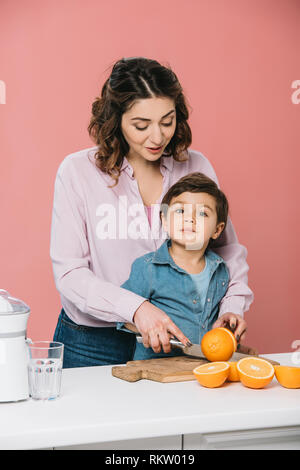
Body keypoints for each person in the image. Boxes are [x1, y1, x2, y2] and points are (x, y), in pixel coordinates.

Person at [51, 57, 253, 368]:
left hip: (179, 342)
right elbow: (69, 273)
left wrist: (233, 306)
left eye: (167, 121)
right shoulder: (77, 172)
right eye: (141, 126)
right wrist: (137, 308)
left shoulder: (197, 167)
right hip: (92, 344)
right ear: (115, 120)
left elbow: (226, 249)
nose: (157, 137)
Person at [117, 172, 233, 359]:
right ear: (164, 220)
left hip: (204, 369)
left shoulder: (220, 270)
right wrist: (149, 329)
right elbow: (122, 313)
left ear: (217, 230)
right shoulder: (147, 268)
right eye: (180, 211)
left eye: (202, 213)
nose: (190, 219)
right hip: (155, 370)